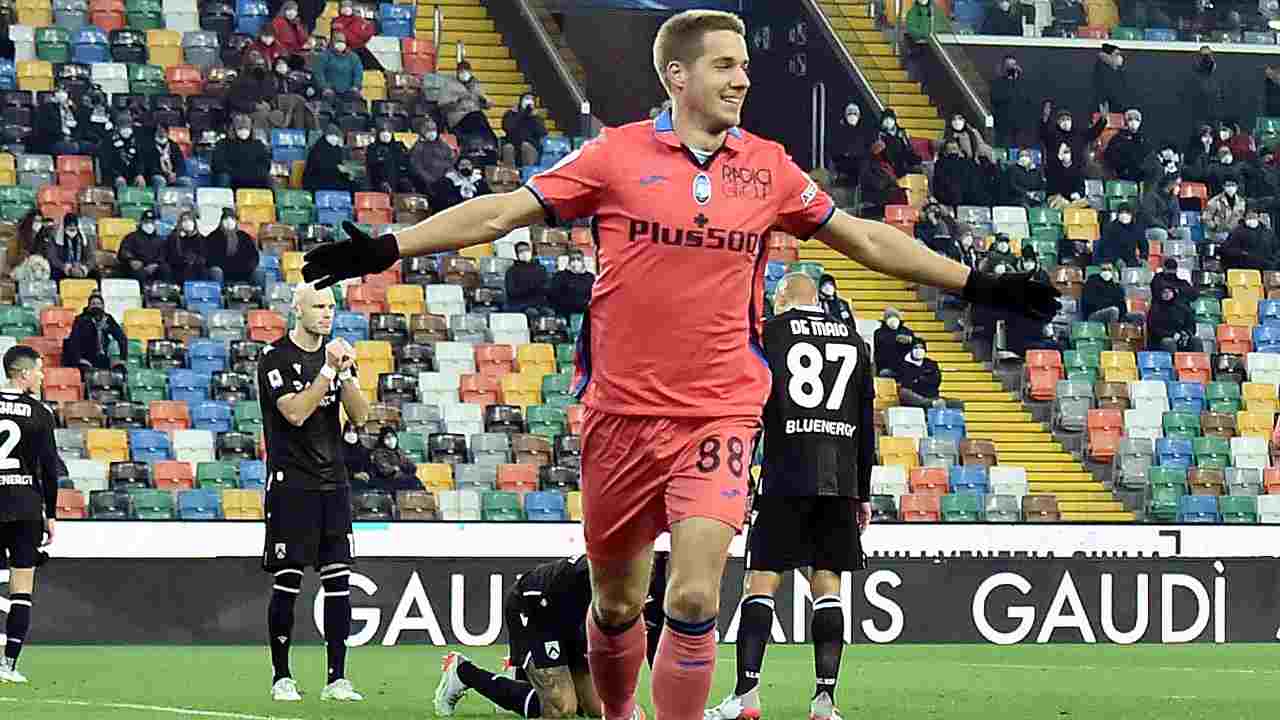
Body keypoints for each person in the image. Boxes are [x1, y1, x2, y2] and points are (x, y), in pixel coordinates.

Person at [300, 13, 1056, 720]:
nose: (742, 80)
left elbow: (863, 237)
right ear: (676, 76)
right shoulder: (614, 156)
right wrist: (386, 246)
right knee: (619, 604)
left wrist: (977, 282)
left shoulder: (768, 169)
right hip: (619, 420)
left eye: (746, 67)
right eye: (725, 66)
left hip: (719, 413)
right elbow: (499, 213)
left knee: (694, 599)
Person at [706, 273, 872, 720]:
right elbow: (865, 420)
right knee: (828, 588)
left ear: (782, 299)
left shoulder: (769, 333)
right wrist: (864, 492)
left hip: (785, 474)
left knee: (760, 583)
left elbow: (750, 409)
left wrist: (737, 478)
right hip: (839, 481)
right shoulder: (855, 341)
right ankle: (824, 703)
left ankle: (746, 697)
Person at [257, 282, 369, 703]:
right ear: (297, 310)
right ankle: (281, 676)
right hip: (292, 484)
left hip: (333, 484)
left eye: (331, 307)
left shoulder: (337, 359)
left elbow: (361, 417)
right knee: (289, 580)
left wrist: (346, 374)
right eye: (318, 306)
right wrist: (326, 371)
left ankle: (337, 678)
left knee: (339, 579)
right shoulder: (275, 357)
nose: (327, 314)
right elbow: (296, 413)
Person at [436, 555, 660, 718]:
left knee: (597, 708)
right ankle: (464, 672)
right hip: (537, 608)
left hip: (576, 623)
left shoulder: (663, 583)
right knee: (562, 707)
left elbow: (654, 651)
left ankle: (517, 678)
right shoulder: (599, 573)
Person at [0, 346, 61, 685]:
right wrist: (51, 514)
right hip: (25, 507)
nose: (41, 376)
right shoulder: (39, 412)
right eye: (38, 370)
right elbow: (48, 470)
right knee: (21, 588)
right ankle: (8, 665)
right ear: (22, 373)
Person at [1039, 102, 1107, 182]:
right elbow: (1043, 132)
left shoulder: (1078, 135)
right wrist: (1045, 118)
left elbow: (1093, 132)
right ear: (1058, 122)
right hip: (1056, 177)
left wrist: (1102, 120)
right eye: (1062, 119)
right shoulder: (1052, 136)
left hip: (1075, 177)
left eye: (1068, 119)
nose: (1065, 122)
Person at [61, 292, 128, 370]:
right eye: (93, 303)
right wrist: (79, 359)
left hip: (101, 358)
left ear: (103, 306)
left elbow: (122, 338)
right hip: (84, 358)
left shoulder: (108, 319)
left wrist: (123, 359)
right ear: (89, 306)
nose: (96, 306)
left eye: (99, 303)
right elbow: (74, 340)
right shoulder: (81, 320)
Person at [438, 60, 497, 146]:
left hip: (474, 115)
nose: (464, 73)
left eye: (466, 71)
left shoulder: (475, 84)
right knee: (477, 118)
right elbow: (442, 106)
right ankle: (486, 143)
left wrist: (485, 102)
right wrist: (458, 100)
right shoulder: (449, 85)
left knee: (480, 119)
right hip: (458, 118)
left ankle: (491, 143)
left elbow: (485, 103)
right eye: (461, 71)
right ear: (457, 72)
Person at [897, 337, 961, 409]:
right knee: (904, 392)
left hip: (932, 395)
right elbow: (907, 385)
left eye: (922, 348)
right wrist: (923, 380)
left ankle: (932, 403)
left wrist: (919, 380)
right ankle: (930, 403)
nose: (919, 350)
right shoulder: (903, 365)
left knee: (957, 403)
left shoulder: (931, 364)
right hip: (914, 397)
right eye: (916, 347)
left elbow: (936, 381)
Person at [230, 51, 286, 131]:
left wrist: (269, 105)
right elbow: (235, 101)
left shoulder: (268, 80)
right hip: (245, 112)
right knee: (261, 116)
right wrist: (254, 106)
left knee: (278, 115)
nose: (260, 67)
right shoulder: (240, 80)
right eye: (257, 65)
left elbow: (271, 97)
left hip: (266, 110)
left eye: (262, 65)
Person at [212, 114, 272, 189]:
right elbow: (218, 163)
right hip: (233, 176)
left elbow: (265, 163)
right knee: (224, 177)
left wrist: (253, 172)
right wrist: (235, 172)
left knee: (268, 178)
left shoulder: (258, 144)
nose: (244, 131)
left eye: (246, 128)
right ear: (234, 129)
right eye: (240, 128)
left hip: (253, 176)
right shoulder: (223, 144)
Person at [204, 209, 260, 285]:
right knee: (216, 271)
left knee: (257, 272)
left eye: (232, 219)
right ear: (221, 221)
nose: (229, 222)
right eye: (226, 219)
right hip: (222, 272)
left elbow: (254, 256)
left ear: (236, 222)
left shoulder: (244, 236)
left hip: (243, 273)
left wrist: (249, 267)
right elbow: (209, 258)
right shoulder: (212, 237)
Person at [30, 87, 90, 155]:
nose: (62, 94)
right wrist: (63, 137)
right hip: (54, 140)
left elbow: (79, 127)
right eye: (59, 91)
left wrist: (74, 138)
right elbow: (45, 129)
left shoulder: (73, 109)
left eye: (64, 91)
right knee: (71, 147)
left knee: (89, 146)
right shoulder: (47, 108)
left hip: (72, 139)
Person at [117, 210, 170, 285]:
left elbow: (163, 254)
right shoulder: (131, 237)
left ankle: (164, 291)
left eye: (151, 222)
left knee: (165, 269)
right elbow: (124, 251)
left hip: (154, 266)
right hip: (138, 266)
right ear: (141, 222)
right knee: (137, 272)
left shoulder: (160, 239)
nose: (149, 224)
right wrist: (131, 260)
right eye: (146, 221)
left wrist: (156, 264)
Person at [830, 101, 876, 186]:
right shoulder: (839, 131)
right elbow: (835, 151)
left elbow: (867, 149)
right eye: (850, 113)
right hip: (844, 163)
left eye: (855, 113)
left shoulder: (863, 131)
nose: (852, 116)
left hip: (859, 164)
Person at [1220, 204, 1279, 271]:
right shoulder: (1236, 232)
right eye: (1249, 215)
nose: (1252, 217)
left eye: (1254, 214)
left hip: (1265, 270)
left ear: (1258, 216)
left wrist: (1270, 264)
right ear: (1244, 217)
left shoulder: (1268, 233)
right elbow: (1227, 251)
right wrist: (1242, 255)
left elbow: (1276, 252)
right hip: (1243, 271)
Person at [990, 55, 1032, 146]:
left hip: (1019, 126)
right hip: (1003, 126)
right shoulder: (997, 83)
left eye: (1013, 65)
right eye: (1008, 65)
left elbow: (1027, 100)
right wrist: (1009, 80)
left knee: (1019, 152)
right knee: (1004, 153)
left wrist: (1017, 79)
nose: (1011, 68)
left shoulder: (1022, 83)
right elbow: (996, 99)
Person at [1138, 175, 1193, 245]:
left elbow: (1176, 214)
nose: (1178, 187)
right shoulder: (1152, 195)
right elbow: (1150, 218)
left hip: (1169, 228)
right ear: (1169, 183)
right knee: (1162, 233)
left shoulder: (1173, 197)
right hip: (1153, 228)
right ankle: (1164, 254)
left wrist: (1173, 226)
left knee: (1185, 231)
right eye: (1176, 184)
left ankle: (1186, 253)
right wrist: (1166, 228)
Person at [408, 117, 457, 196]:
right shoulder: (418, 147)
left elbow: (451, 160)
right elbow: (417, 167)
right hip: (428, 182)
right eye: (428, 130)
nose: (432, 132)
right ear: (422, 131)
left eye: (434, 129)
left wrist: (448, 174)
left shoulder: (443, 145)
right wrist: (430, 179)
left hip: (445, 179)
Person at [98, 111, 146, 192]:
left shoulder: (135, 140)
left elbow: (140, 160)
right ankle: (121, 203)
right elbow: (106, 163)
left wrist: (139, 174)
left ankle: (137, 204)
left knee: (141, 182)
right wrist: (117, 175)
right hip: (113, 176)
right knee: (121, 182)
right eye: (123, 125)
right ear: (117, 127)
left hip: (131, 175)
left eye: (128, 125)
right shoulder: (108, 140)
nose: (126, 128)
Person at [303, 124, 358, 192]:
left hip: (331, 178)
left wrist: (348, 174)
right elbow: (321, 166)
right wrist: (339, 168)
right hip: (317, 181)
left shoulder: (336, 148)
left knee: (354, 185)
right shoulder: (319, 148)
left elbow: (338, 164)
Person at [330, 0, 381, 72]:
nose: (346, 9)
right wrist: (358, 36)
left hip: (360, 48)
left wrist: (357, 36)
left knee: (374, 66)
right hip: (346, 49)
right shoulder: (336, 22)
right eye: (344, 7)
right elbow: (344, 37)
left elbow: (368, 32)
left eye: (348, 6)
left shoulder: (358, 19)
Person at [1148, 281, 1198, 353]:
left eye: (1169, 292)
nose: (1167, 294)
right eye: (1164, 292)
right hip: (1161, 339)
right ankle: (1174, 363)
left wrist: (1186, 334)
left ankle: (1197, 362)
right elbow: (1154, 328)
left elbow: (1191, 325)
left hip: (1181, 337)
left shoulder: (1182, 307)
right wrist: (1172, 335)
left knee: (1195, 340)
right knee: (1168, 342)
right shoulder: (1156, 309)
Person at [138, 124, 190, 192]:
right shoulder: (149, 145)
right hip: (157, 175)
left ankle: (185, 201)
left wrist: (175, 174)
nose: (162, 133)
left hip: (173, 175)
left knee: (186, 181)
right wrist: (166, 174)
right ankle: (160, 201)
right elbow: (149, 165)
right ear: (155, 132)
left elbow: (180, 163)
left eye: (164, 131)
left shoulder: (173, 145)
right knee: (160, 180)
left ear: (167, 133)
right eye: (159, 131)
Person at [312, 31, 363, 100]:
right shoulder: (324, 56)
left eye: (342, 41)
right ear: (332, 42)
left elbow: (358, 73)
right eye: (338, 41)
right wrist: (324, 87)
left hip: (348, 91)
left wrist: (356, 86)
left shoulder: (353, 57)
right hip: (329, 91)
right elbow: (319, 73)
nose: (341, 43)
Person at [505, 240, 551, 317]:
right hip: (520, 304)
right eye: (521, 251)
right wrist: (532, 288)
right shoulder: (512, 271)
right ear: (517, 254)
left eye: (527, 250)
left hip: (539, 304)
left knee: (549, 313)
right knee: (532, 313)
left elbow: (546, 287)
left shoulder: (540, 268)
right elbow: (511, 291)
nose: (525, 253)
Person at [366, 121, 414, 194]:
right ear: (378, 133)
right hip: (378, 181)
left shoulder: (398, 147)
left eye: (388, 131)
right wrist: (381, 181)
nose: (386, 133)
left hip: (398, 181)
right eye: (383, 131)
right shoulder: (372, 148)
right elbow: (371, 168)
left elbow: (405, 164)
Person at [503, 94, 549, 169]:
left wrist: (534, 117)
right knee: (508, 148)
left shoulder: (536, 117)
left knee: (526, 146)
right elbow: (508, 128)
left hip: (531, 146)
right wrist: (521, 114)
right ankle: (511, 176)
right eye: (527, 98)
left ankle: (527, 173)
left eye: (532, 99)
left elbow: (542, 132)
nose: (529, 101)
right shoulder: (511, 114)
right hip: (514, 145)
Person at [1185, 46, 1224, 135]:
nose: (1206, 59)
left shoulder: (1218, 77)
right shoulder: (1193, 78)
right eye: (1203, 56)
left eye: (1208, 55)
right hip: (1199, 117)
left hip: (1215, 117)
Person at [1094, 203, 1147, 267]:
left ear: (1131, 214)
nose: (1124, 215)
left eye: (1127, 212)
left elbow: (1144, 245)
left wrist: (1143, 258)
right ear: (1117, 214)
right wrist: (1115, 260)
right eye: (1121, 213)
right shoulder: (1110, 228)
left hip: (1130, 259)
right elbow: (1105, 248)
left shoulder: (1137, 228)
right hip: (1112, 259)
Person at [1104, 109, 1150, 182]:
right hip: (1121, 175)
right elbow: (1109, 156)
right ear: (1126, 121)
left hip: (1139, 177)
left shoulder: (1143, 139)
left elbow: (1147, 156)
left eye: (1137, 119)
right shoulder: (1118, 138)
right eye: (1130, 119)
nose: (1133, 122)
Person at [548, 250, 594, 320]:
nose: (576, 262)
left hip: (585, 312)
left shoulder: (590, 277)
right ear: (569, 261)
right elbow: (554, 296)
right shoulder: (560, 276)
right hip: (565, 311)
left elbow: (592, 296)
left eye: (578, 259)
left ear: (583, 261)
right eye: (573, 259)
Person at [46, 214, 93, 282]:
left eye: (73, 229)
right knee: (55, 274)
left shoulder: (85, 238)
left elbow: (91, 257)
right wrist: (64, 267)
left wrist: (85, 268)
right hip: (63, 269)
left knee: (95, 274)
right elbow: (52, 257)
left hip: (80, 268)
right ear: (64, 227)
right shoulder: (55, 238)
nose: (72, 231)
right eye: (69, 228)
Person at [167, 211, 211, 283]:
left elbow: (205, 256)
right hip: (179, 267)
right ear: (180, 223)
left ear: (194, 223)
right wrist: (184, 259)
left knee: (202, 268)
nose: (187, 223)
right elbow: (171, 256)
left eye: (190, 220)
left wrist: (195, 260)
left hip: (198, 267)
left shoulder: (201, 238)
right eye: (184, 220)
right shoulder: (173, 238)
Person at [874, 306, 914, 377]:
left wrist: (910, 340)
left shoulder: (906, 331)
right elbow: (879, 351)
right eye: (890, 318)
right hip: (886, 367)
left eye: (895, 317)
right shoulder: (879, 333)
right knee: (885, 373)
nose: (893, 320)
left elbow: (915, 345)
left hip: (904, 367)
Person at [1046, 142, 1087, 209]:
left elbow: (1081, 187)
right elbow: (1052, 190)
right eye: (1064, 152)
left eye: (1067, 152)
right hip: (1060, 200)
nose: (1066, 155)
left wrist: (1078, 194)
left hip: (1074, 200)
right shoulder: (1054, 170)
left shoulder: (1078, 170)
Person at [1093, 44, 1129, 111]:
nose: (1120, 57)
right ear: (1107, 56)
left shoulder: (1120, 72)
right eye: (1117, 54)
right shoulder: (1101, 71)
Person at [340, 422, 373, 491]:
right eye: (348, 431)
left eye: (354, 431)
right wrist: (354, 475)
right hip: (344, 485)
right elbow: (337, 470)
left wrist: (368, 474)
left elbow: (369, 466)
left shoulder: (363, 450)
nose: (352, 434)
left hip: (363, 485)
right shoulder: (338, 450)